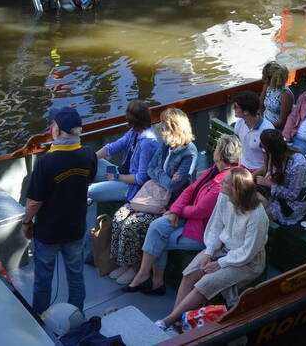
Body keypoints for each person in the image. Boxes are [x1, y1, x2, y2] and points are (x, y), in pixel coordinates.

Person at [153, 167, 269, 332]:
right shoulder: (224, 196)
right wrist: (209, 252)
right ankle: (178, 321)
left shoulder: (256, 216)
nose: (221, 182)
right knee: (189, 274)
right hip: (222, 249)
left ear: (236, 189)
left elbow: (247, 252)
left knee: (204, 284)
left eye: (226, 182)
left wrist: (219, 263)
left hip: (247, 262)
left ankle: (168, 320)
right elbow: (215, 226)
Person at [124, 134, 242, 294]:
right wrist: (175, 210)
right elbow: (190, 190)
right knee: (156, 226)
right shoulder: (214, 170)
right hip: (186, 215)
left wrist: (176, 211)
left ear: (220, 155)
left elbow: (201, 211)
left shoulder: (225, 181)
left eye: (216, 148)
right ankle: (151, 279)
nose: (213, 150)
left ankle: (150, 280)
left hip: (202, 230)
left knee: (161, 238)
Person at [109, 108, 197, 286]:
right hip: (153, 195)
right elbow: (150, 168)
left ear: (173, 128)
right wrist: (164, 176)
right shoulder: (166, 144)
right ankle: (124, 263)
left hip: (169, 203)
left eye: (164, 126)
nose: (160, 129)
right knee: (119, 217)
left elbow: (175, 186)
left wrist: (160, 175)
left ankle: (135, 268)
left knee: (132, 224)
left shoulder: (189, 153)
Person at [22, 107, 97, 316]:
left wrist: (26, 223)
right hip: (75, 229)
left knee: (43, 278)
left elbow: (34, 202)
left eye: (53, 124)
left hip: (48, 232)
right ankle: (77, 314)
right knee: (76, 275)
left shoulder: (46, 162)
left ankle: (41, 318)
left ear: (56, 130)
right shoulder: (88, 155)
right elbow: (87, 181)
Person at [89, 99, 159, 206]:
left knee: (91, 191)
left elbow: (140, 179)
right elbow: (112, 148)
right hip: (121, 173)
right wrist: (88, 159)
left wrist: (116, 177)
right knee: (92, 162)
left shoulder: (148, 143)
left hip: (130, 187)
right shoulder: (134, 132)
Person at [254, 129, 306, 224]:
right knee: (249, 208)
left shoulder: (298, 164)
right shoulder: (274, 156)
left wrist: (270, 184)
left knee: (259, 218)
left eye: (264, 148)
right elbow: (271, 176)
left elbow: (292, 195)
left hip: (291, 204)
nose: (263, 150)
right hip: (274, 195)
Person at [232, 91, 272, 171]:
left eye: (236, 106)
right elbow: (238, 147)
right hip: (241, 166)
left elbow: (269, 163)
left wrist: (252, 176)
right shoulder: (240, 123)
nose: (233, 108)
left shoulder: (266, 131)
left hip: (257, 171)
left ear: (246, 112)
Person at [259, 61, 294, 130]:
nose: (263, 79)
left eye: (265, 77)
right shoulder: (267, 86)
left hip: (275, 128)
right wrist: (258, 119)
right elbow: (260, 105)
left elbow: (282, 122)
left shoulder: (285, 94)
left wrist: (264, 128)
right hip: (263, 121)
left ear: (272, 79)